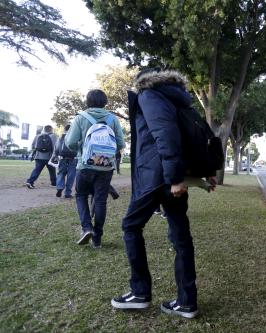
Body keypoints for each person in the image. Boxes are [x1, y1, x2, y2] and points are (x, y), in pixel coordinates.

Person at [111, 68, 216, 318]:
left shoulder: (149, 95)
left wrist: (176, 179)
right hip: (172, 175)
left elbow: (165, 135)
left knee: (130, 226)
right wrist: (207, 169)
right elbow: (200, 135)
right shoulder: (179, 99)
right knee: (180, 236)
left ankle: (140, 293)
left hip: (159, 177)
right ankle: (187, 302)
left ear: (142, 82)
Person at [65, 89, 125, 248]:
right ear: (105, 102)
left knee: (81, 195)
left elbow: (70, 142)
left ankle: (86, 228)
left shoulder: (80, 118)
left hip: (85, 165)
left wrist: (82, 149)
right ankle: (97, 238)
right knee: (100, 200)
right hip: (106, 167)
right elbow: (120, 143)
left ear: (87, 101)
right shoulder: (113, 119)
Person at [53, 124, 77, 198]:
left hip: (62, 158)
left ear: (65, 129)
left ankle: (60, 187)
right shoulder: (75, 136)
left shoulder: (61, 137)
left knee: (61, 173)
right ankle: (67, 193)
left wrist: (55, 156)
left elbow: (56, 148)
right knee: (71, 175)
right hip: (73, 158)